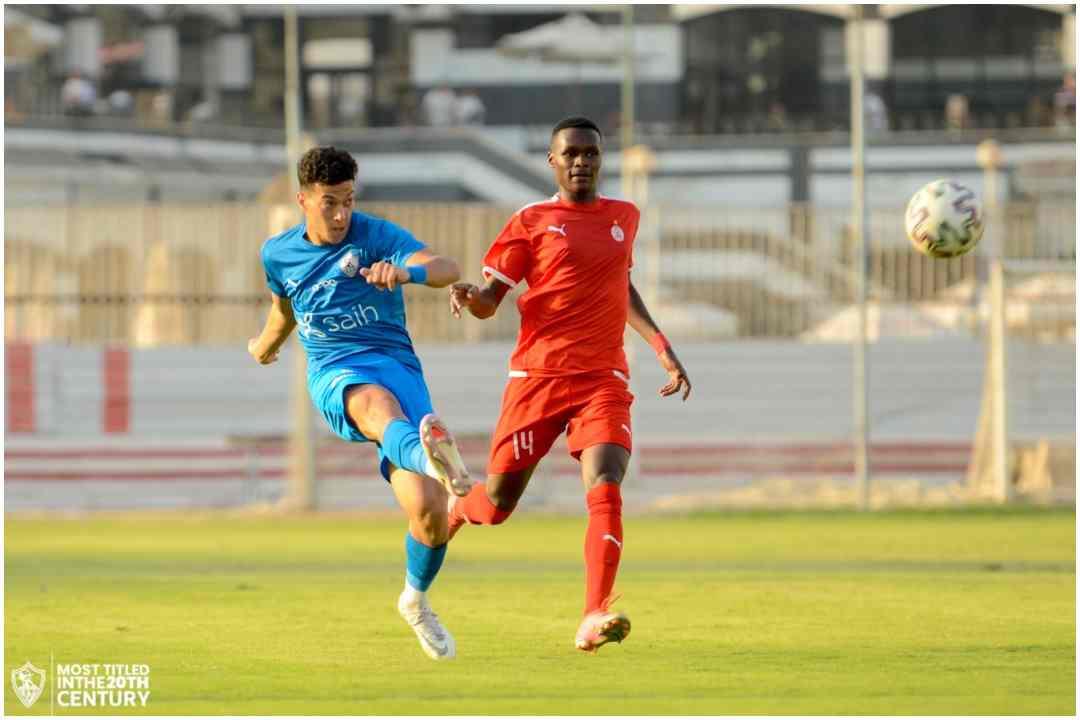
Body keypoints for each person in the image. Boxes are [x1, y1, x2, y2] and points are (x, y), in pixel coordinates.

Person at [447, 117, 692, 653]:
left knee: (605, 481)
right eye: (571, 154)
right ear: (552, 162)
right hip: (537, 379)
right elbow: (493, 299)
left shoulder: (624, 217)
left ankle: (593, 614)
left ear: (601, 160)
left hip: (603, 378)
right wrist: (472, 298)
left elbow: (620, 284)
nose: (582, 162)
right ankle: (458, 505)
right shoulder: (532, 220)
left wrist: (662, 349)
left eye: (591, 154)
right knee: (497, 504)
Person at [248, 146, 473, 661]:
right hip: (336, 372)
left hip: (397, 365)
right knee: (376, 405)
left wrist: (406, 274)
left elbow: (446, 267)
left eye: (348, 201)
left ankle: (415, 601)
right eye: (329, 202)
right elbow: (284, 311)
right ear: (302, 199)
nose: (340, 214)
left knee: (430, 513)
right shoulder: (277, 253)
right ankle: (436, 460)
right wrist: (265, 346)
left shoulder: (378, 237)